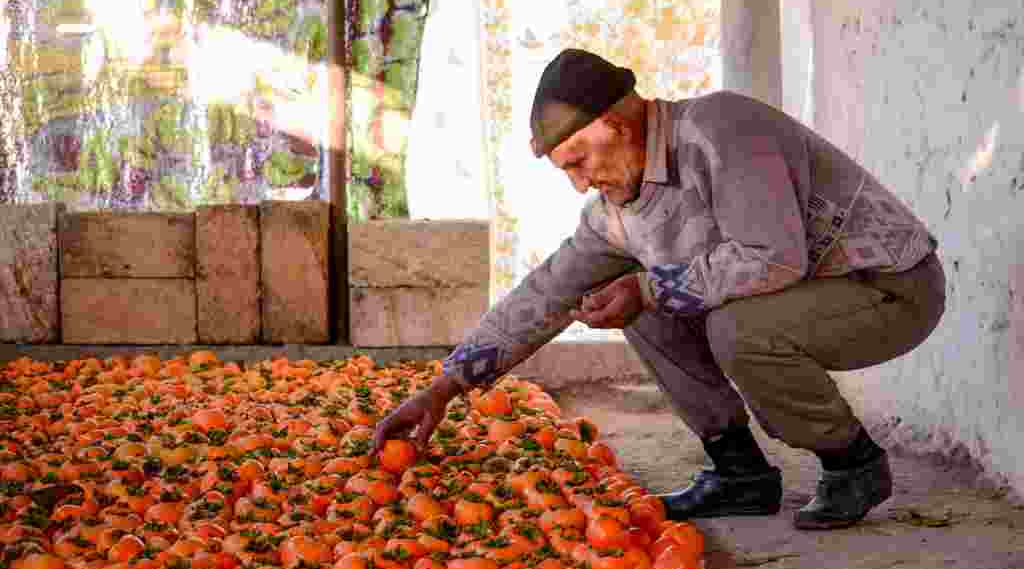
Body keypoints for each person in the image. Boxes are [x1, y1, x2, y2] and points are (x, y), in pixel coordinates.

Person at [372, 48, 946, 530]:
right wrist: (444, 388)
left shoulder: (721, 128)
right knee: (637, 303)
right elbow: (546, 293)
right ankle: (738, 472)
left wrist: (649, 288)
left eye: (578, 161)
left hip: (887, 286)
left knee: (726, 323)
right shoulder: (618, 209)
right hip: (806, 298)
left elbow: (773, 259)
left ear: (618, 127)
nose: (579, 185)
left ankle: (853, 463)